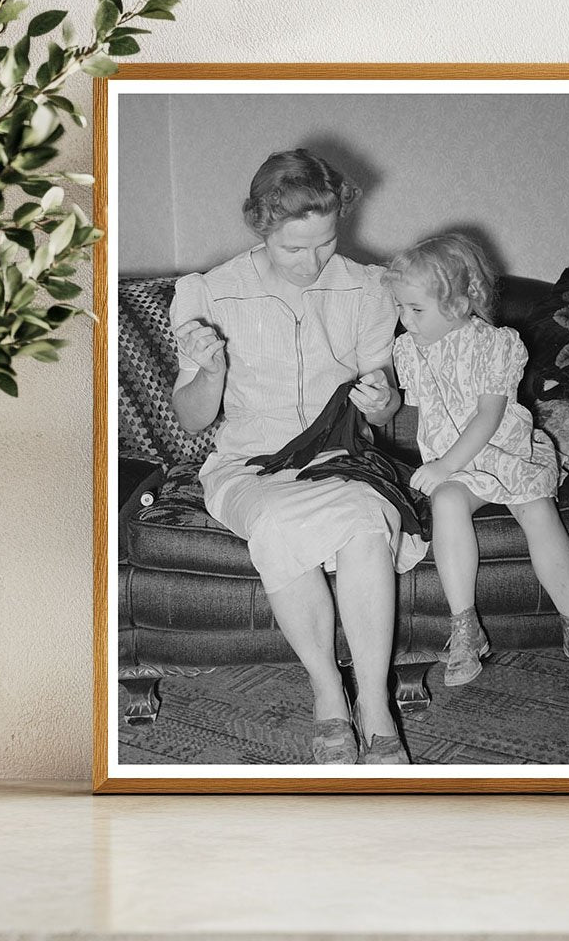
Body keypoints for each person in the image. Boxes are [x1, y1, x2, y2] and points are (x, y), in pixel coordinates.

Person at [169, 148, 427, 765]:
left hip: (337, 459)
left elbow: (382, 410)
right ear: (260, 226)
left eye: (325, 244)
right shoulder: (210, 295)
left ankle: (374, 703)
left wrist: (383, 398)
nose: (313, 263)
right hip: (248, 467)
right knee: (280, 519)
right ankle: (328, 693)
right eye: (294, 249)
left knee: (366, 524)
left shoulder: (366, 288)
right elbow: (192, 419)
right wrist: (210, 371)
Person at [384, 232, 569, 692]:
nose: (405, 320)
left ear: (462, 302)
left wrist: (445, 464)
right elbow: (417, 409)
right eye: (400, 308)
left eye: (416, 309)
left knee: (538, 509)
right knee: (447, 502)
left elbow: (489, 415)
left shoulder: (497, 344)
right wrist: (380, 397)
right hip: (456, 466)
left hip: (503, 452)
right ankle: (465, 626)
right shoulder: (408, 350)